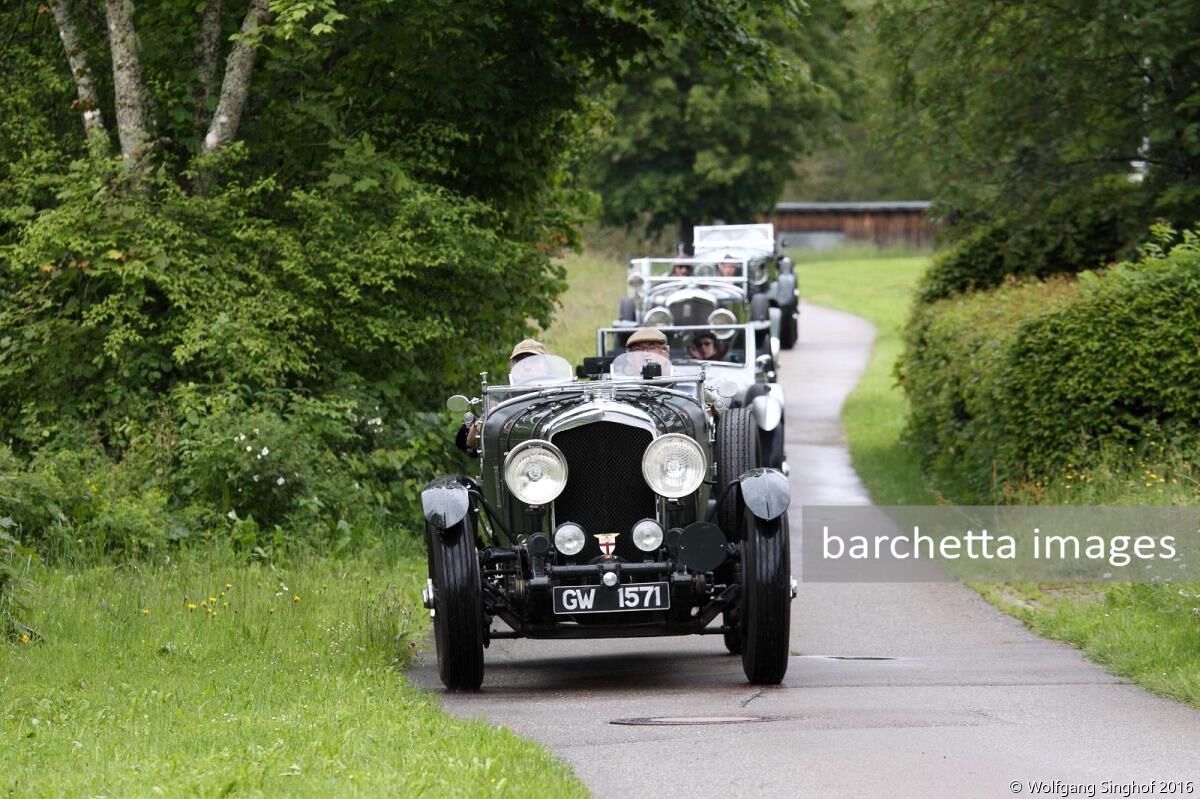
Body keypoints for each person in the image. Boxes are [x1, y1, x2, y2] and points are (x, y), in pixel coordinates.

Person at [455, 338, 547, 456]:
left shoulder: (560, 393)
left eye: (532, 361)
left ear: (545, 366)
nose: (526, 366)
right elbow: (472, 442)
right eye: (520, 361)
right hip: (513, 464)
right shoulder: (502, 398)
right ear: (512, 366)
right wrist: (486, 420)